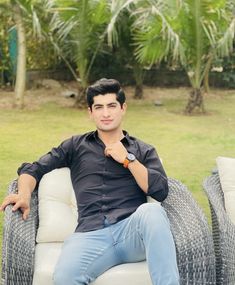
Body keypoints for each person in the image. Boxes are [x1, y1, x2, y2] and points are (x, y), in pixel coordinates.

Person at [0, 78, 179, 285]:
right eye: (99, 107)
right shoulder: (76, 146)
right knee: (64, 277)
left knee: (152, 211)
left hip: (131, 233)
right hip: (89, 235)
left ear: (123, 108)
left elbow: (160, 191)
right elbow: (34, 168)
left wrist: (128, 159)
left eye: (112, 106)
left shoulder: (142, 150)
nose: (106, 113)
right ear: (90, 112)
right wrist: (23, 194)